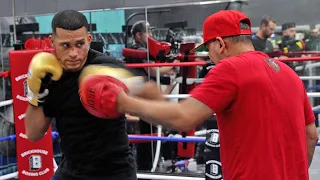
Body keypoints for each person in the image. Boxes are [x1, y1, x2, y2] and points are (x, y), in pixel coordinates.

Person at [85, 10, 319, 179]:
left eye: (208, 49)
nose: (209, 57)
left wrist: (123, 101)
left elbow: (184, 117)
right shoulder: (288, 73)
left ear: (219, 44)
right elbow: (311, 135)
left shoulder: (230, 69)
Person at [25, 10, 137, 180]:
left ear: (89, 40)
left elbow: (145, 95)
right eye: (65, 45)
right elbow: (33, 134)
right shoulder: (49, 76)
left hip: (114, 171)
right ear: (52, 41)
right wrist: (35, 94)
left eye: (80, 44)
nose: (74, 53)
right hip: (71, 170)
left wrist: (126, 86)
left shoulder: (106, 67)